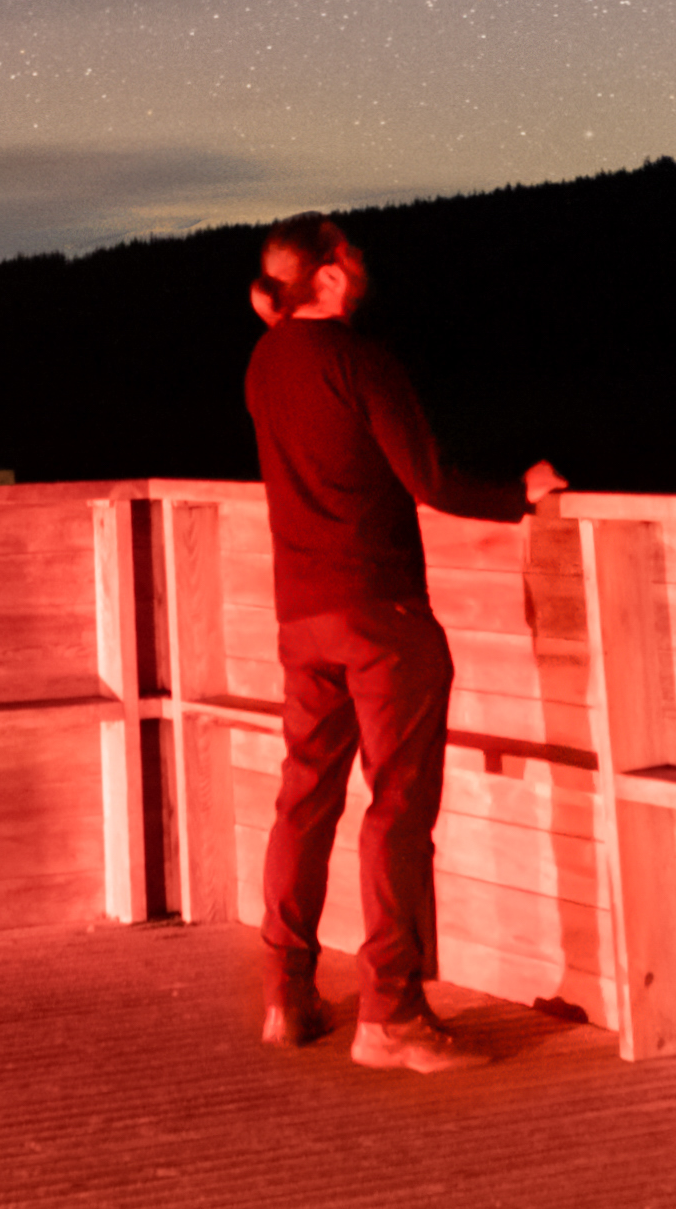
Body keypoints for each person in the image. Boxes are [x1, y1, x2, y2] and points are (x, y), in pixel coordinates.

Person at [237, 211, 567, 1071]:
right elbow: (429, 478)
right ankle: (390, 1015)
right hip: (379, 614)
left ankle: (287, 991)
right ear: (332, 278)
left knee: (304, 798)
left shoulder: (264, 364)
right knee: (397, 807)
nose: (360, 262)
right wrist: (520, 494)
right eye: (349, 254)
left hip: (299, 615)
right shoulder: (360, 361)